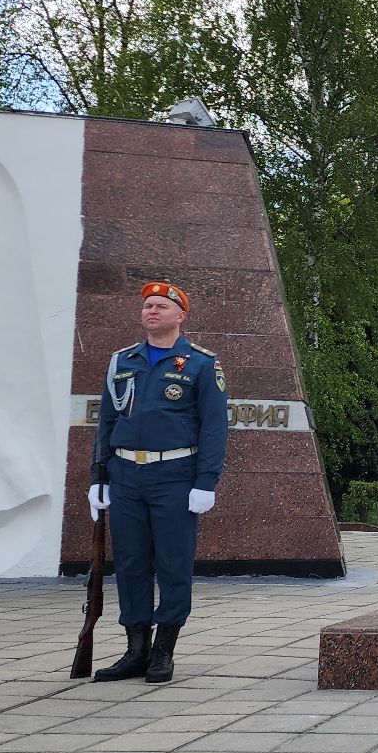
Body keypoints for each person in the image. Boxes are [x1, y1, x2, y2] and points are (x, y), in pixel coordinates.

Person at [89, 282, 228, 683]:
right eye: (147, 305)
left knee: (172, 563)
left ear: (180, 315)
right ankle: (136, 649)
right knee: (131, 563)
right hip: (126, 473)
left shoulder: (201, 364)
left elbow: (215, 427)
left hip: (175, 476)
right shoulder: (122, 361)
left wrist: (206, 481)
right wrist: (99, 477)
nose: (152, 311)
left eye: (161, 306)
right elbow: (108, 423)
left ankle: (163, 650)